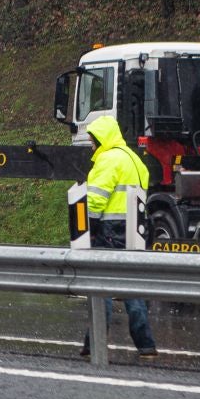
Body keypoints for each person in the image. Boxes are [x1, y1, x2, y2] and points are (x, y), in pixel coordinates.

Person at [79, 115, 157, 358]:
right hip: (134, 227)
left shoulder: (108, 159)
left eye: (93, 140)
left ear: (103, 139)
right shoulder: (134, 159)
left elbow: (94, 199)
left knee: (101, 286)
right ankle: (145, 343)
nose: (92, 145)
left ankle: (95, 342)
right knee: (130, 284)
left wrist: (85, 231)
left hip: (110, 229)